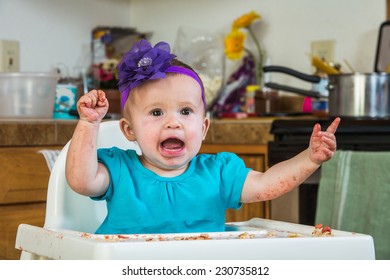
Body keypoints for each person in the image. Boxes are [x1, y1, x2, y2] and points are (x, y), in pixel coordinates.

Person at [65, 39, 340, 234]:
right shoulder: (119, 170)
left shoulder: (218, 173)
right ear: (129, 131)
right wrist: (89, 124)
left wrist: (310, 158)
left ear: (204, 127)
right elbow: (81, 180)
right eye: (157, 112)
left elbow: (268, 184)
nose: (174, 123)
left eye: (186, 111)